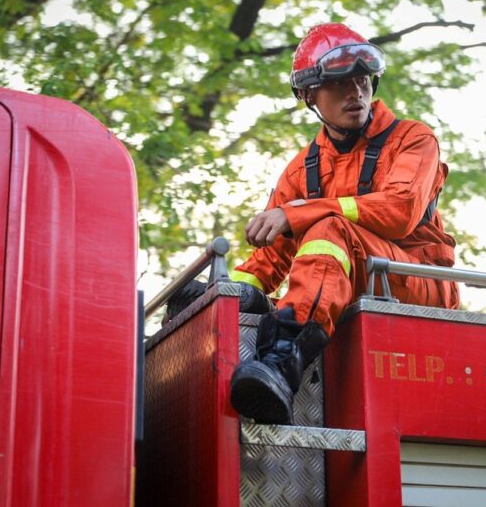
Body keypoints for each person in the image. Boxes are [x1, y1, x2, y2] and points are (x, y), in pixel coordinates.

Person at [169, 23, 460, 424]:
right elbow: (270, 261)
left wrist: (300, 213)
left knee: (329, 231)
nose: (355, 92)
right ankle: (256, 335)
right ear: (309, 95)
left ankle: (281, 363)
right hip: (342, 284)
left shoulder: (412, 138)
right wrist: (227, 292)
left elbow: (399, 211)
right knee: (308, 247)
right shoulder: (302, 170)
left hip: (419, 283)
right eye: (339, 84)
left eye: (362, 81)